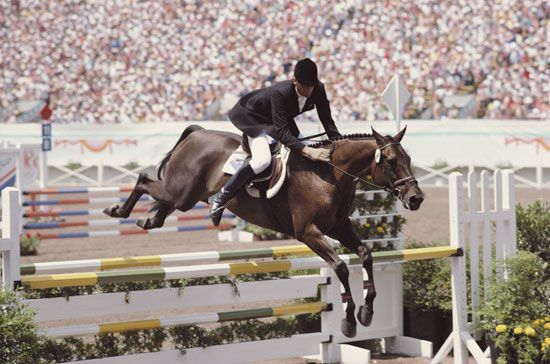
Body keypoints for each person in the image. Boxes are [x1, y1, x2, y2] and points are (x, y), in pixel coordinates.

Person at [209, 58, 342, 226]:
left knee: (304, 144)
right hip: (253, 117)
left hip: (278, 118)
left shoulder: (317, 89)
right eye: (305, 85)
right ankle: (222, 196)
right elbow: (282, 133)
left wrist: (338, 141)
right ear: (295, 81)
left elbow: (327, 119)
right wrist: (308, 151)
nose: (310, 90)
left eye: (312, 85)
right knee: (262, 160)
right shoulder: (280, 93)